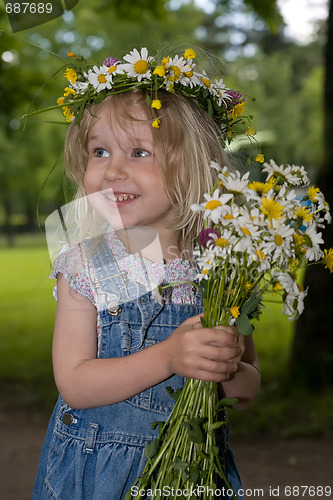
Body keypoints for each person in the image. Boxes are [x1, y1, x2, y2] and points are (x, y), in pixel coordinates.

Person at [32, 47, 260, 500]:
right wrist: (169, 359)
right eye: (99, 151)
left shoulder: (220, 269)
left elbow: (250, 382)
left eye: (139, 151)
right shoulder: (87, 263)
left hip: (194, 473)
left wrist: (224, 365)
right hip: (98, 473)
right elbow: (75, 382)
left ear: (194, 166)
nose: (113, 169)